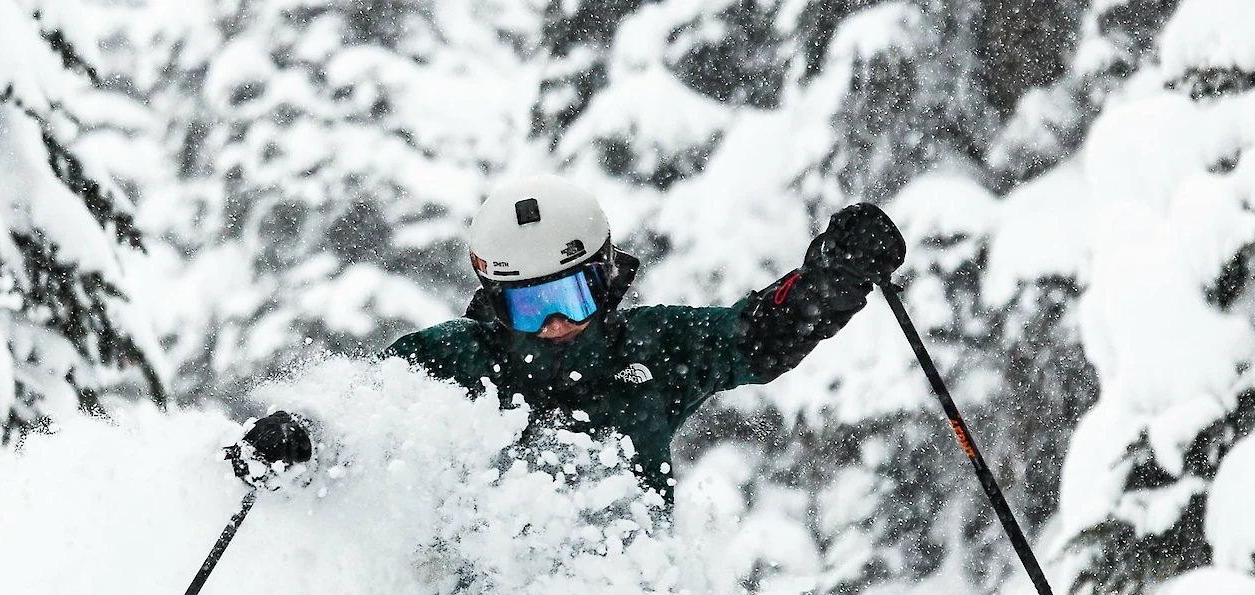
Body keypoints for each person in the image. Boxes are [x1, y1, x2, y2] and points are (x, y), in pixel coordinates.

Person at [228, 175, 905, 505]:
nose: (552, 322)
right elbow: (358, 416)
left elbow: (757, 337)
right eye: (528, 305)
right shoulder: (448, 358)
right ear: (494, 303)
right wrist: (299, 435)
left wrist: (832, 277)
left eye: (570, 297)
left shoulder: (652, 351)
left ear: (605, 280)